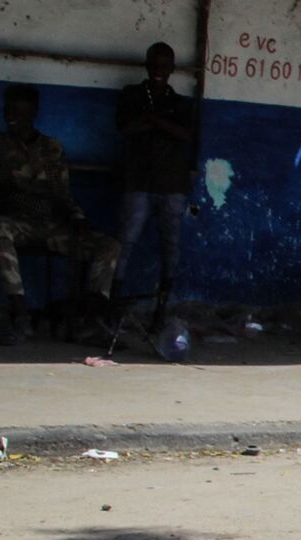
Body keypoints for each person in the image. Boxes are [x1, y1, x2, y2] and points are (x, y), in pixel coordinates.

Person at [0, 84, 121, 346]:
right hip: (16, 221)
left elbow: (62, 194)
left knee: (109, 245)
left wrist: (77, 218)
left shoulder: (51, 148)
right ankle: (19, 312)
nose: (12, 117)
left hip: (52, 225)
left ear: (33, 113)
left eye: (19, 112)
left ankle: (92, 318)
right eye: (8, 111)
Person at [112, 42, 196, 332]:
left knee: (170, 247)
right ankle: (112, 306)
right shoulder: (132, 95)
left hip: (171, 184)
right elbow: (125, 128)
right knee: (124, 243)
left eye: (164, 66)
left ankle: (162, 309)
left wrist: (151, 119)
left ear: (172, 68)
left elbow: (186, 135)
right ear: (147, 66)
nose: (159, 70)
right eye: (154, 64)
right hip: (139, 181)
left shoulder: (180, 103)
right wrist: (162, 124)